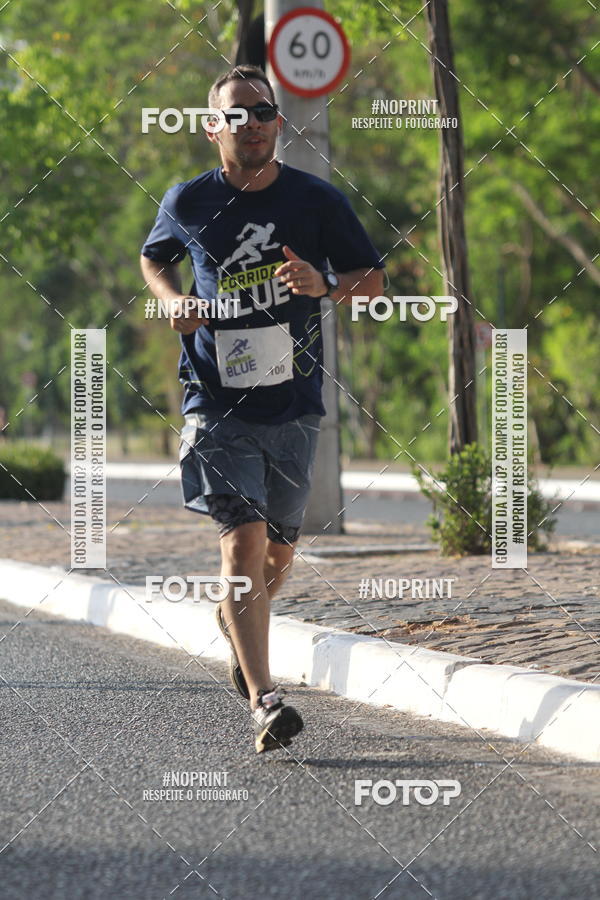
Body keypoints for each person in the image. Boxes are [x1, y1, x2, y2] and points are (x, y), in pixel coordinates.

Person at [140, 64, 384, 753]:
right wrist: (172, 302)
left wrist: (324, 281)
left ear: (279, 121)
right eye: (236, 114)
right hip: (215, 401)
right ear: (213, 127)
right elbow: (153, 257)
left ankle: (238, 627)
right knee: (242, 544)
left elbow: (374, 279)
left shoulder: (315, 200)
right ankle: (266, 700)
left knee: (277, 555)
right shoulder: (188, 201)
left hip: (295, 402)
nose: (251, 124)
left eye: (263, 111)